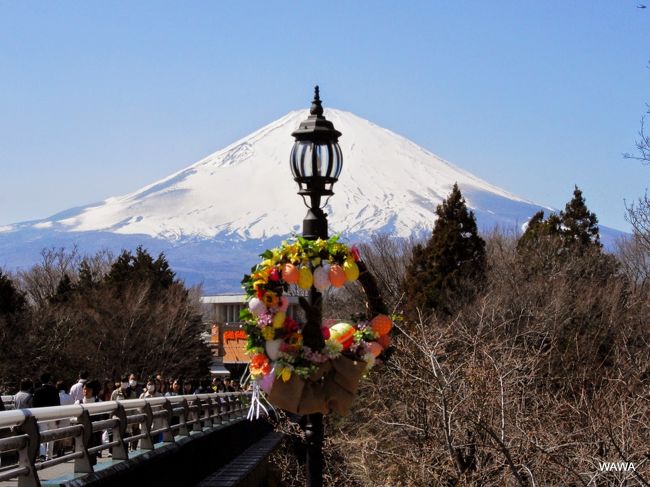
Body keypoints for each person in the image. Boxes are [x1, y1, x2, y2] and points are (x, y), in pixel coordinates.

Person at [33, 373, 61, 461]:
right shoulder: (54, 390)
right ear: (49, 380)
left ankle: (42, 454)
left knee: (42, 434)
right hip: (52, 415)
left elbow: (34, 405)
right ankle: (49, 455)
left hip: (41, 416)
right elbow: (58, 404)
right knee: (51, 435)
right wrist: (58, 417)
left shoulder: (37, 391)